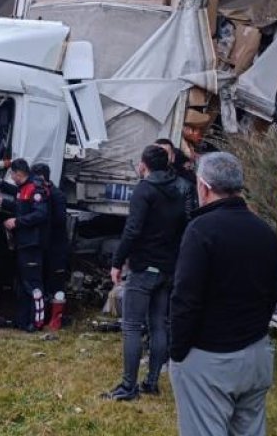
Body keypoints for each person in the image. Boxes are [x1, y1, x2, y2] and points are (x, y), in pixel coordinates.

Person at [169, 151, 277, 434]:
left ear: (203, 186)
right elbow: (273, 292)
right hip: (256, 353)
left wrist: (178, 351)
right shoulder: (264, 231)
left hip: (210, 357)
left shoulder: (201, 230)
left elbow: (185, 298)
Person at [105, 145, 188, 401]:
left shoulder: (145, 189)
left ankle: (129, 387)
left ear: (144, 165)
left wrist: (117, 262)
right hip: (167, 267)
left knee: (131, 326)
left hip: (144, 267)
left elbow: (132, 230)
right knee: (158, 325)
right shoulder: (181, 188)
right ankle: (151, 383)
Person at [5, 158, 49, 331]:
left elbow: (40, 214)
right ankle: (23, 320)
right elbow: (20, 207)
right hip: (22, 243)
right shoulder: (21, 189)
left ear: (18, 173)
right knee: (23, 284)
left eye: (12, 175)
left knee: (34, 284)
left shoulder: (35, 189)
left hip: (32, 243)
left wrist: (17, 222)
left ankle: (37, 322)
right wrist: (3, 202)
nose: (12, 178)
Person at [33, 163, 70, 330]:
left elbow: (60, 220)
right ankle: (46, 315)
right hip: (46, 246)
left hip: (57, 247)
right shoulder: (45, 193)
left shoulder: (56, 195)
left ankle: (57, 318)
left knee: (57, 283)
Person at [155, 137, 198, 215]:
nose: (160, 157)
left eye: (165, 154)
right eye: (156, 153)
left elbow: (188, 214)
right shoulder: (146, 183)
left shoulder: (185, 186)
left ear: (173, 157)